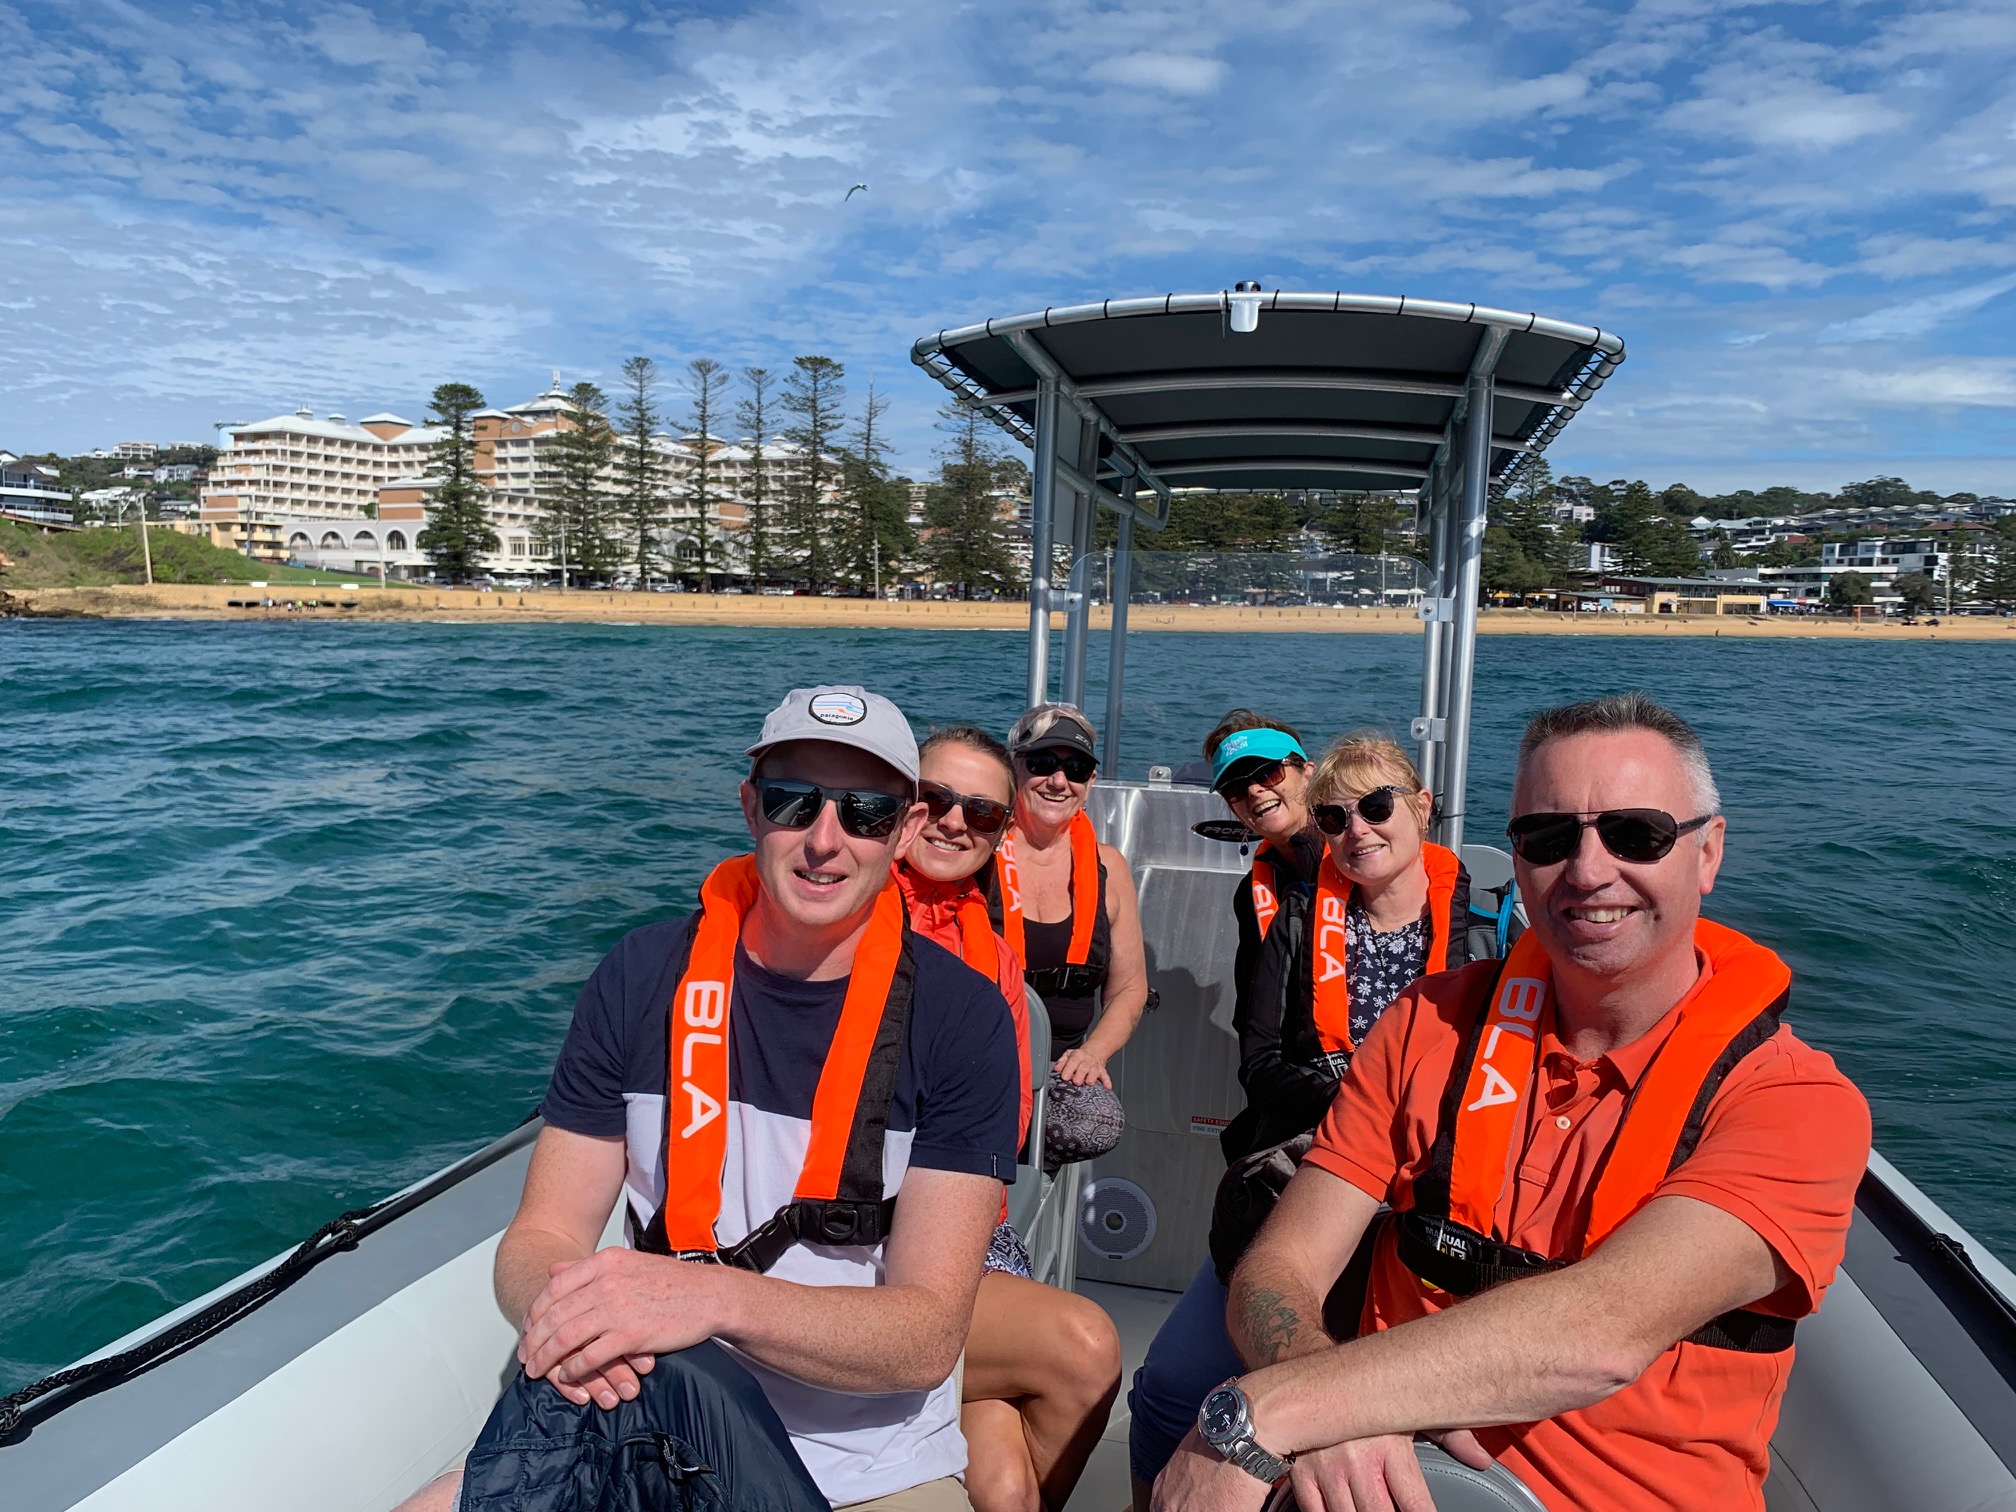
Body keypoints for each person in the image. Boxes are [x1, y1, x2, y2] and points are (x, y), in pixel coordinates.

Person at [1154, 693, 1872, 1512]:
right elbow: (1280, 1267)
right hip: (1385, 1483)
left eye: (1637, 834)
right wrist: (1328, 1410)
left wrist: (1276, 1410)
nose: (1589, 870)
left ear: (1708, 853)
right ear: (1520, 855)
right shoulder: (1424, 1025)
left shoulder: (1794, 1104)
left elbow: (1601, 1333)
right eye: (1548, 837)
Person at [400, 684, 1020, 1512]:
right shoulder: (638, 976)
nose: (823, 842)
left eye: (865, 812)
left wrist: (709, 1298)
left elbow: (924, 1339)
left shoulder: (964, 1020)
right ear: (750, 811)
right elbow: (542, 1233)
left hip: (863, 1461)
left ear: (904, 830)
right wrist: (584, 1327)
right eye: (792, 802)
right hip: (641, 1408)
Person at [1129, 728, 1490, 1508]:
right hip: (1299, 1184)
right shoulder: (1296, 918)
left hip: (1423, 1212)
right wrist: (1368, 1106)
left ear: (1422, 807)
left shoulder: (1489, 939)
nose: (1356, 830)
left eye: (1376, 806)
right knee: (1165, 1389)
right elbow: (1260, 1062)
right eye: (1333, 819)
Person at [896, 724, 1123, 1512]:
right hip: (862, 1234)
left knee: (1005, 1485)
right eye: (933, 800)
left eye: (981, 815)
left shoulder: (988, 951)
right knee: (1083, 1348)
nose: (955, 822)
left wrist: (1089, 1050)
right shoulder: (845, 918)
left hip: (966, 1228)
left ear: (1000, 833)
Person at [986, 703, 1150, 1170]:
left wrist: (1092, 1054)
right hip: (978, 1054)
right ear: (1012, 766)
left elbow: (1129, 989)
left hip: (1058, 1068)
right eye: (1041, 764)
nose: (1059, 781)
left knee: (1094, 1122)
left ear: (1090, 782)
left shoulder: (1110, 868)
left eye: (1076, 768)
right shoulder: (977, 851)